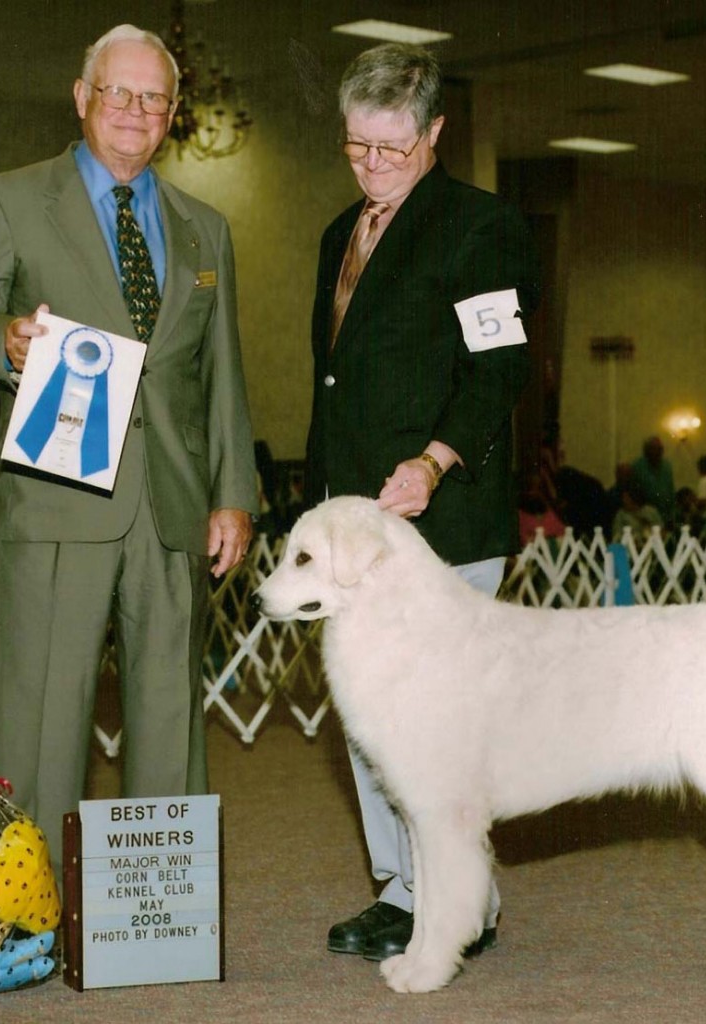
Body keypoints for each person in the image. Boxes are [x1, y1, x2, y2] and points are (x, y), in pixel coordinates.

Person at [0, 24, 258, 874]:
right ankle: (24, 907)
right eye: (119, 92)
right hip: (53, 499)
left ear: (173, 116)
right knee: (39, 717)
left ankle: (159, 911)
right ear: (83, 99)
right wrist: (5, 338)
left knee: (168, 714)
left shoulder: (206, 229)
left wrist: (236, 494)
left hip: (174, 506)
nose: (134, 112)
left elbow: (221, 371)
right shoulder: (10, 198)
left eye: (154, 99)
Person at [305, 42, 540, 962]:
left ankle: (458, 903)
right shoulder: (340, 232)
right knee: (371, 718)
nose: (370, 165)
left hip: (441, 518)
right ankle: (405, 892)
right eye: (356, 146)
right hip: (355, 527)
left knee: (437, 728)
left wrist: (436, 461)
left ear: (435, 133)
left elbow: (500, 368)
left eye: (390, 149)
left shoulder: (481, 227)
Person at [629, 435, 676, 526]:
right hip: (647, 517)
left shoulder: (667, 466)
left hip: (666, 515)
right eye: (655, 449)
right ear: (646, 451)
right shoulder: (637, 467)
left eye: (660, 449)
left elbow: (671, 490)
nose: (659, 452)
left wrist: (672, 514)